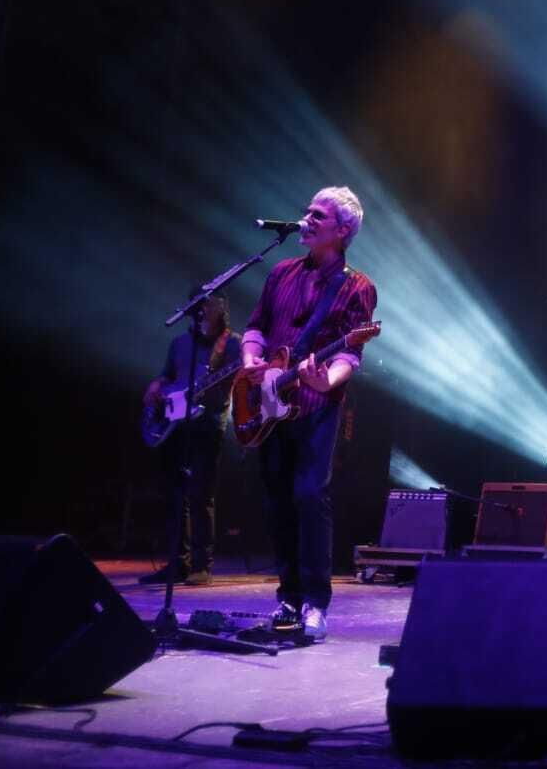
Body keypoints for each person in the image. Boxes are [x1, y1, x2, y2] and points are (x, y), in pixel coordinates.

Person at [241, 187, 377, 641]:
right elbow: (257, 326)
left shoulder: (357, 287)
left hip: (317, 406)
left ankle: (315, 604)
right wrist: (249, 363)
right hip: (270, 401)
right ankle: (288, 596)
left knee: (308, 496)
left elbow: (349, 355)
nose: (306, 219)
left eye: (317, 215)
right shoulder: (280, 273)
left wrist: (328, 380)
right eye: (307, 212)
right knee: (278, 500)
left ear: (342, 231)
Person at [139, 290, 236, 586]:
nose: (205, 309)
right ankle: (176, 563)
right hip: (175, 425)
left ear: (221, 308)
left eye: (211, 304)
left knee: (200, 494)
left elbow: (240, 381)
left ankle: (201, 565)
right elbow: (166, 376)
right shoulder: (180, 343)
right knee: (175, 494)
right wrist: (156, 386)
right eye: (201, 304)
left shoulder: (232, 344)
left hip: (209, 423)